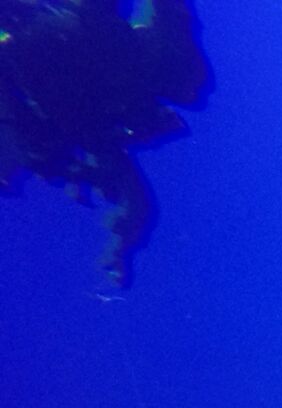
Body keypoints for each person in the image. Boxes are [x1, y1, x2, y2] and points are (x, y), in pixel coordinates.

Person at [0, 0, 212, 285]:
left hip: (74, 69)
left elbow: (136, 198)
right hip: (73, 67)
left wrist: (122, 247)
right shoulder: (86, 122)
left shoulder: (86, 124)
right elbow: (137, 198)